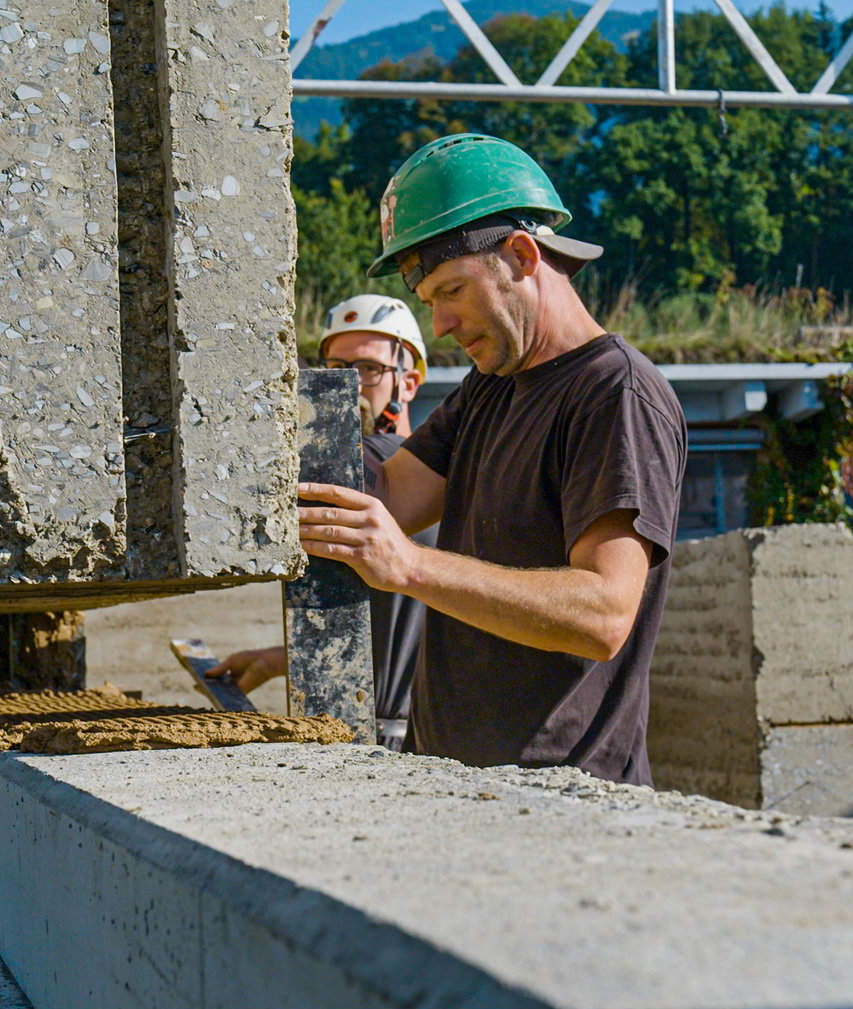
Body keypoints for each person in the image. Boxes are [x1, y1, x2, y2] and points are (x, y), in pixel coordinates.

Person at [291, 133, 687, 785]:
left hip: (562, 798)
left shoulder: (616, 395)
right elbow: (389, 494)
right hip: (459, 784)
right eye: (430, 302)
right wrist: (297, 410)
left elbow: (604, 613)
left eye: (452, 290)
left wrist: (410, 565)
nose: (440, 323)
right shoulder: (491, 389)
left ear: (522, 255)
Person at [208, 295, 436, 746]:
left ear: (408, 383)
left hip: (394, 736)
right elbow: (387, 630)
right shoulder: (436, 479)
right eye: (335, 367)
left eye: (368, 369)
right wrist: (282, 658)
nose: (348, 382)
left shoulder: (377, 467)